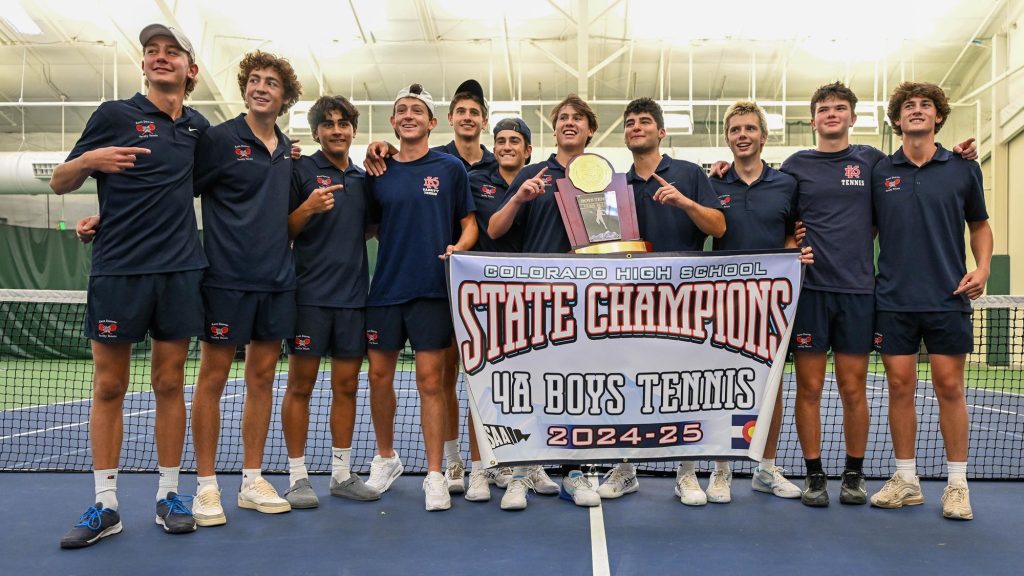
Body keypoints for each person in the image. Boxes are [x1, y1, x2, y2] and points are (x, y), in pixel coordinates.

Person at [779, 81, 977, 507]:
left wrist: (961, 156)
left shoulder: (874, 162)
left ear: (852, 117)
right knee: (809, 387)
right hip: (811, 293)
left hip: (861, 293)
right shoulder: (795, 165)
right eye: (823, 109)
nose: (831, 114)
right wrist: (720, 169)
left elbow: (922, 168)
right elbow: (768, 206)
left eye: (839, 108)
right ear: (812, 119)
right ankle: (815, 477)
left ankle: (855, 475)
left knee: (855, 389)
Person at [52, 23, 206, 548]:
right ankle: (106, 504)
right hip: (118, 270)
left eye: (172, 52)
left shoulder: (198, 129)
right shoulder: (113, 115)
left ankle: (169, 496)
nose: (160, 58)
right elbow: (59, 180)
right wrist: (91, 161)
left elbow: (220, 179)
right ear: (143, 65)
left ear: (191, 70)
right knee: (109, 386)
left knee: (168, 384)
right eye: (152, 52)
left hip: (180, 271)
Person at [188, 50, 303, 525]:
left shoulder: (286, 151)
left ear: (285, 96)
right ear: (245, 89)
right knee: (212, 380)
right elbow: (175, 191)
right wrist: (108, 220)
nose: (261, 87)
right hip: (225, 280)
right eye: (254, 80)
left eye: (271, 82)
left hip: (277, 281)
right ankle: (206, 486)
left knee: (261, 380)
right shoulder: (217, 140)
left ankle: (251, 479)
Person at [594, 97, 727, 503]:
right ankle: (626, 466)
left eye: (645, 121)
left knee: (683, 387)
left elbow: (719, 227)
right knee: (628, 386)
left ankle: (686, 471)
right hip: (630, 305)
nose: (636, 127)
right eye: (630, 122)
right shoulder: (615, 185)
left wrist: (685, 201)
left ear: (661, 132)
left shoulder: (688, 173)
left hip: (685, 301)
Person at [869, 82, 991, 521]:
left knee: (950, 388)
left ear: (938, 117)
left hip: (948, 296)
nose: (916, 111)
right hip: (893, 300)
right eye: (908, 107)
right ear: (897, 120)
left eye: (925, 106)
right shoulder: (880, 172)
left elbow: (979, 225)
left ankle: (957, 486)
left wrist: (983, 268)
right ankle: (907, 480)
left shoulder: (962, 168)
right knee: (899, 388)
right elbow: (865, 230)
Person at [363, 84, 477, 511]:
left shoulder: (449, 169)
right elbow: (368, 228)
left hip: (432, 291)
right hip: (385, 291)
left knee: (432, 382)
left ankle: (434, 475)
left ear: (432, 122)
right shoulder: (378, 171)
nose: (408, 115)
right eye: (400, 111)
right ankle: (386, 458)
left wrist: (461, 248)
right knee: (378, 379)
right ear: (393, 123)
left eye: (417, 110)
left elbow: (469, 223)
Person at [487, 94, 603, 507]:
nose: (569, 123)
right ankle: (520, 473)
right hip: (535, 302)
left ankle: (578, 473)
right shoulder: (533, 174)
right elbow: (496, 229)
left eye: (578, 118)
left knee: (580, 389)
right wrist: (519, 197)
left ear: (590, 129)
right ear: (555, 130)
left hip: (586, 305)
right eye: (562, 118)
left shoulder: (603, 177)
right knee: (531, 389)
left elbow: (613, 238)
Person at [693, 101, 808, 505]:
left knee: (771, 387)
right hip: (724, 301)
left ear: (763, 135)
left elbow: (794, 235)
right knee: (726, 387)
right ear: (728, 138)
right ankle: (721, 470)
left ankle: (765, 466)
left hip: (772, 302)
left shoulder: (786, 184)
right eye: (735, 129)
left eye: (749, 129)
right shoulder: (713, 183)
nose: (742, 135)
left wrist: (792, 258)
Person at [279, 95, 381, 509]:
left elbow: (370, 227)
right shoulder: (299, 170)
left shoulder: (363, 178)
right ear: (317, 130)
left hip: (354, 302)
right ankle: (298, 477)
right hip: (308, 301)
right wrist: (308, 207)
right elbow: (282, 227)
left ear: (353, 130)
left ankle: (341, 474)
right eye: (329, 124)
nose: (337, 130)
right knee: (300, 386)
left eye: (344, 123)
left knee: (346, 387)